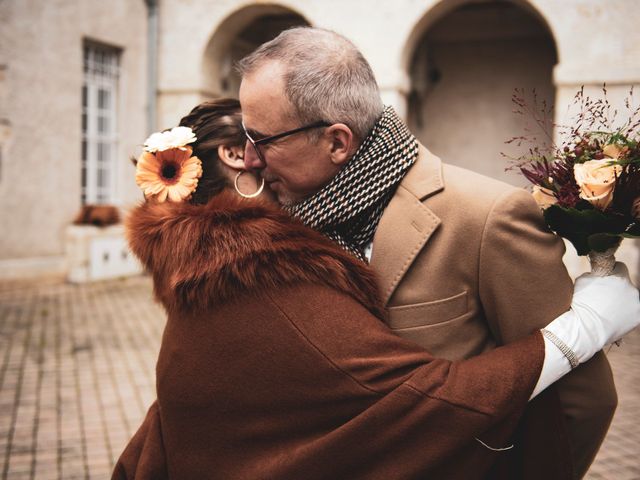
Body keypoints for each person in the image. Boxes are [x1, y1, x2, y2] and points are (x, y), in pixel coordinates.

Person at [113, 98, 639, 480]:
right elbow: (424, 400)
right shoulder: (265, 276)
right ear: (235, 155)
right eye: (270, 140)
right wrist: (586, 324)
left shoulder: (200, 272)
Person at [237, 27, 619, 478]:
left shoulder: (487, 217)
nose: (248, 159)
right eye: (245, 134)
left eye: (261, 140)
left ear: (337, 142)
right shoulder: (282, 223)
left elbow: (580, 402)